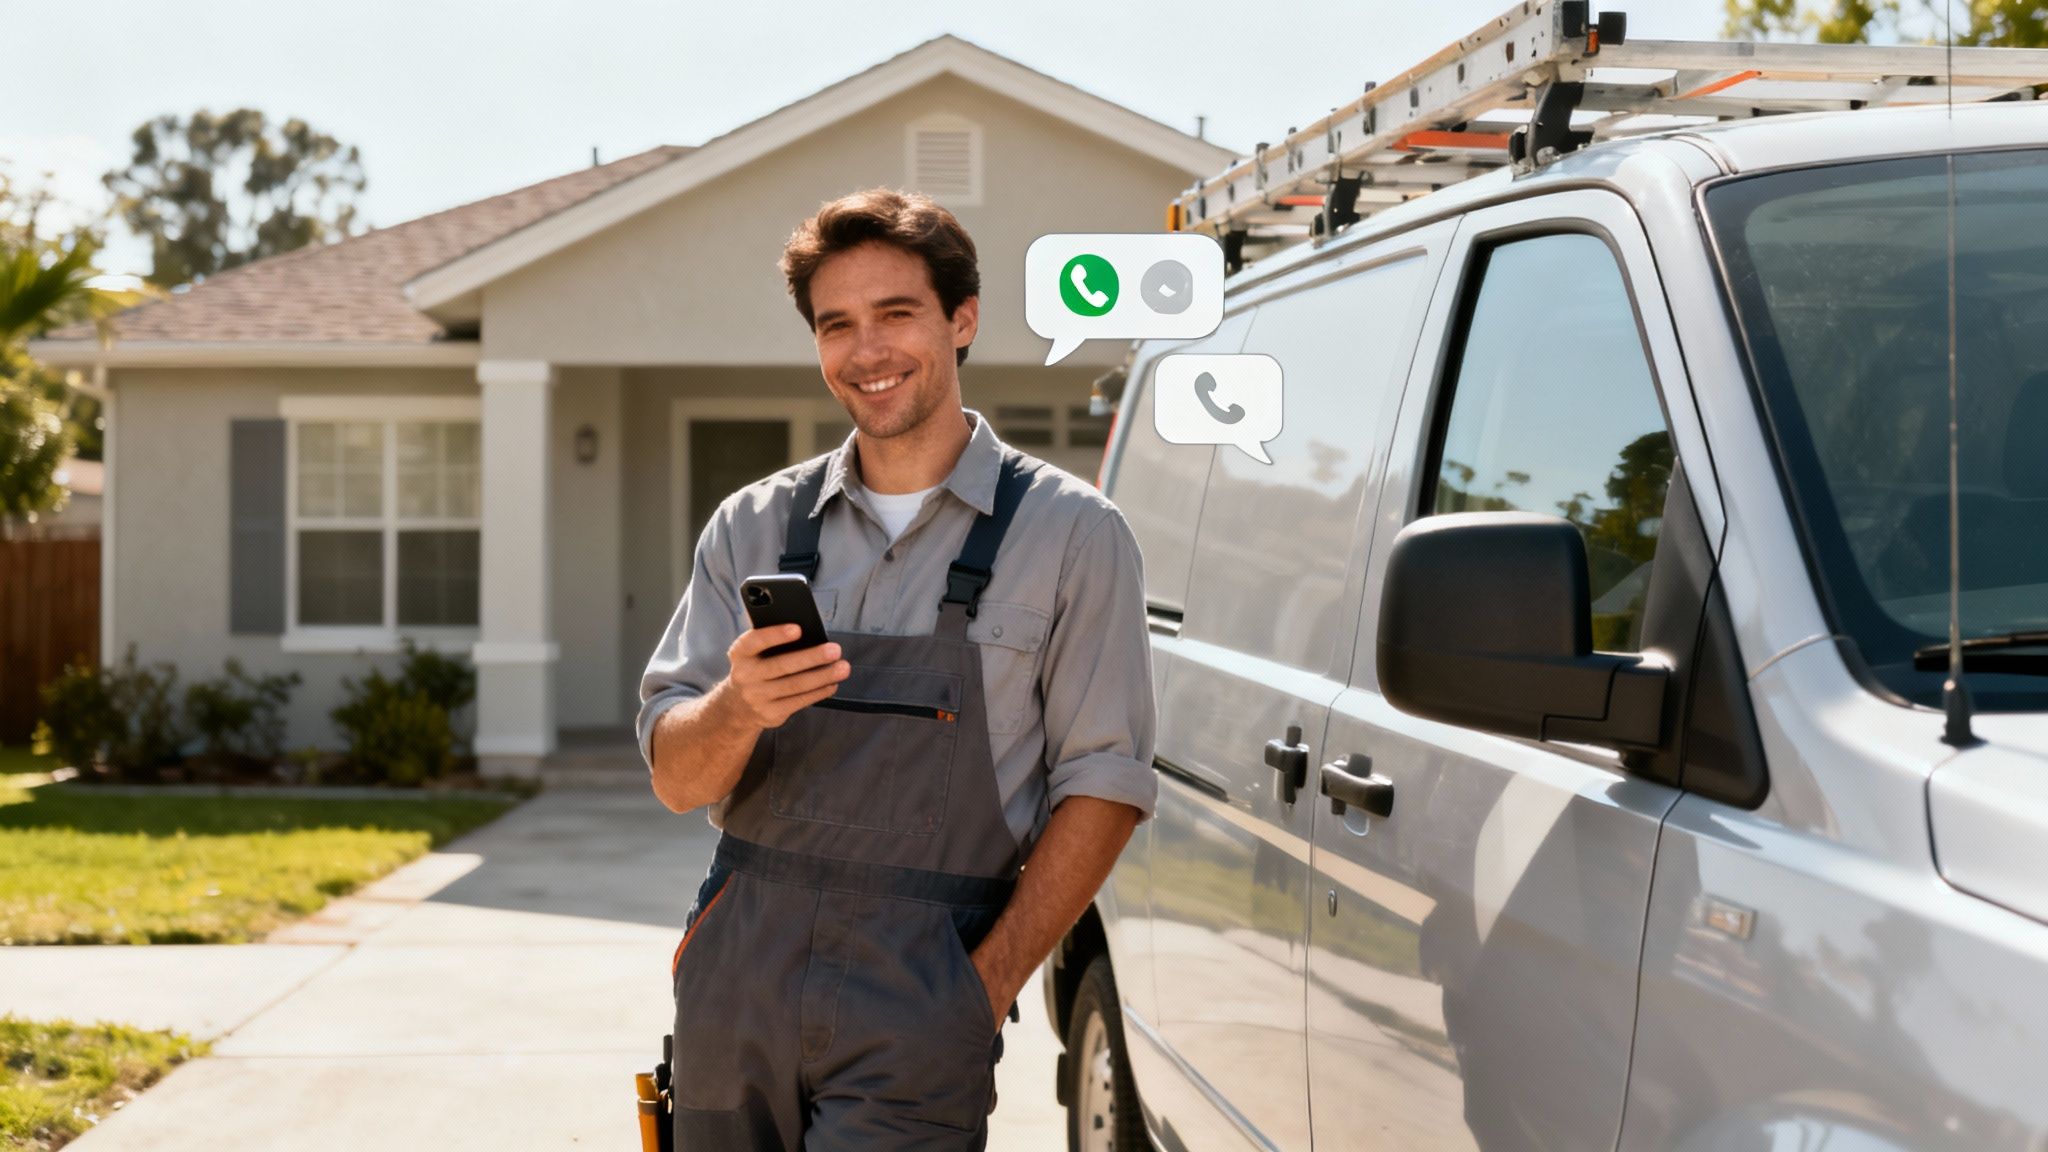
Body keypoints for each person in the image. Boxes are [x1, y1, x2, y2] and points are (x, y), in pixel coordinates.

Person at [637, 186, 1157, 1150]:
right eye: (837, 325)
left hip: (925, 986)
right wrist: (737, 707)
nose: (866, 352)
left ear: (961, 321)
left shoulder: (1073, 536)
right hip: (736, 979)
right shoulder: (751, 527)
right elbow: (677, 777)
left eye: (896, 314)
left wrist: (984, 984)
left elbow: (1106, 783)